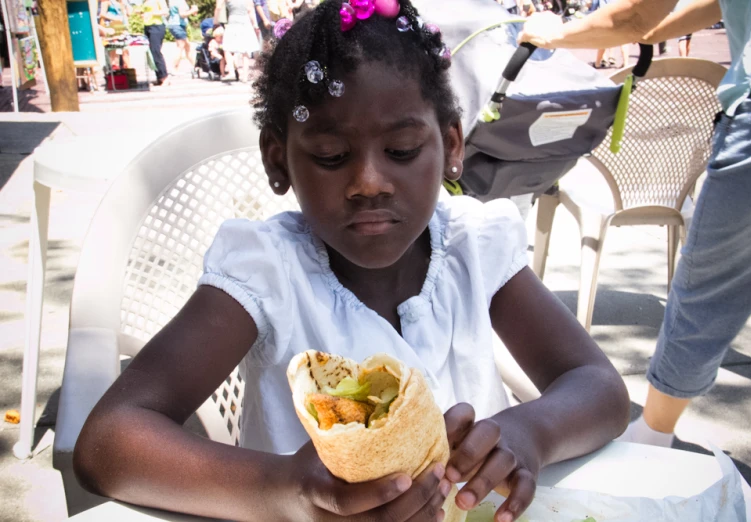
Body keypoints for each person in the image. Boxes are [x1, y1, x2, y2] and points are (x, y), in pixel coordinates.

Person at [72, 2, 630, 520]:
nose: (368, 183)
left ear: (452, 146)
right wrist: (287, 488)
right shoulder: (267, 274)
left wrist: (528, 432)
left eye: (403, 151)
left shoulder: (472, 247)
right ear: (279, 159)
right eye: (331, 156)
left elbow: (598, 386)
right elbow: (108, 442)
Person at [520, 0, 751, 447]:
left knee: (705, 294)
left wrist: (554, 32)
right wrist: (641, 33)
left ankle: (655, 435)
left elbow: (634, 14)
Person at [215, 0, 259, 81]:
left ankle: (231, 72)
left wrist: (215, 21)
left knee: (227, 47)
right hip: (245, 21)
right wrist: (255, 25)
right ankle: (245, 77)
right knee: (245, 50)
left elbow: (218, 7)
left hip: (233, 21)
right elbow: (250, 10)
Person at [142, 0, 171, 86]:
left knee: (156, 51)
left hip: (157, 26)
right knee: (151, 53)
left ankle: (165, 77)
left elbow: (165, 11)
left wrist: (151, 13)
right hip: (148, 26)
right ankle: (159, 77)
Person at [166, 0, 198, 72]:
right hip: (178, 25)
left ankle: (195, 65)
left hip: (174, 24)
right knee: (181, 47)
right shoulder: (180, 1)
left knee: (187, 46)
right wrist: (193, 10)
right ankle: (174, 68)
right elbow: (182, 14)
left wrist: (191, 11)